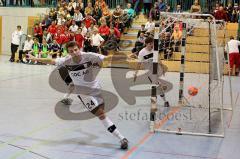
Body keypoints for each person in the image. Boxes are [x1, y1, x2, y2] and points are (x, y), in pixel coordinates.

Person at [27, 41, 129, 149]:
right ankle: (121, 138)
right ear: (68, 53)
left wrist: (124, 57)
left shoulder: (89, 56)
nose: (75, 53)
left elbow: (107, 58)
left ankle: (114, 132)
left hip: (96, 89)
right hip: (83, 93)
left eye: (76, 50)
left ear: (79, 48)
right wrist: (35, 59)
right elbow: (51, 60)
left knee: (102, 112)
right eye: (71, 51)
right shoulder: (66, 61)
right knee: (101, 115)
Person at [133, 37, 171, 107]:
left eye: (152, 43)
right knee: (159, 86)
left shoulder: (154, 50)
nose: (152, 45)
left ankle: (157, 97)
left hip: (157, 69)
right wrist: (136, 73)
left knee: (159, 86)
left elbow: (159, 60)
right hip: (150, 73)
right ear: (146, 44)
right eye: (150, 44)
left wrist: (162, 68)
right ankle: (163, 100)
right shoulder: (142, 52)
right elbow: (139, 64)